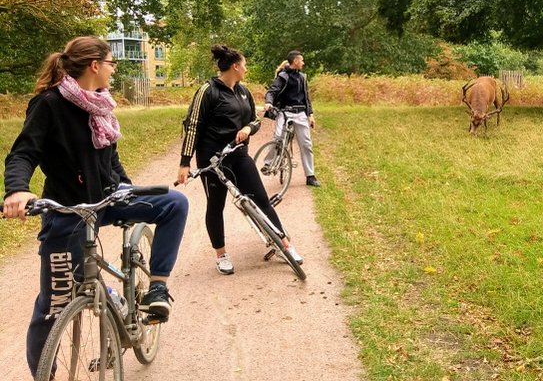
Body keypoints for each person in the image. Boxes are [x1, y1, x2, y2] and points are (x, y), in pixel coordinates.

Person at [1, 36, 189, 377]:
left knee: (175, 203)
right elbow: (23, 153)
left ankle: (157, 286)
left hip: (109, 197)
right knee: (53, 307)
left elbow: (110, 157)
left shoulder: (101, 104)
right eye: (111, 63)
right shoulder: (49, 104)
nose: (114, 70)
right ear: (95, 66)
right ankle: (46, 375)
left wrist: (127, 188)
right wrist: (17, 189)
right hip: (67, 210)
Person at [177, 44, 303, 275]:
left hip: (238, 154)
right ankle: (221, 255)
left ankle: (285, 243)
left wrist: (247, 128)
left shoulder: (243, 91)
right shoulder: (208, 90)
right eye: (244, 65)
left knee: (262, 199)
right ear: (235, 66)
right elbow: (193, 126)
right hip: (212, 159)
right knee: (215, 205)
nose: (246, 69)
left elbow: (255, 121)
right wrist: (185, 162)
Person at [263, 50, 321, 187]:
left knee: (306, 144)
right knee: (278, 137)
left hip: (300, 113)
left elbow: (307, 98)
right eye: (301, 60)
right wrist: (268, 102)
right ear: (295, 61)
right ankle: (268, 163)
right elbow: (272, 91)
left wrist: (310, 115)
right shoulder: (283, 76)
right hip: (285, 112)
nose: (303, 62)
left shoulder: (302, 77)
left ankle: (310, 176)